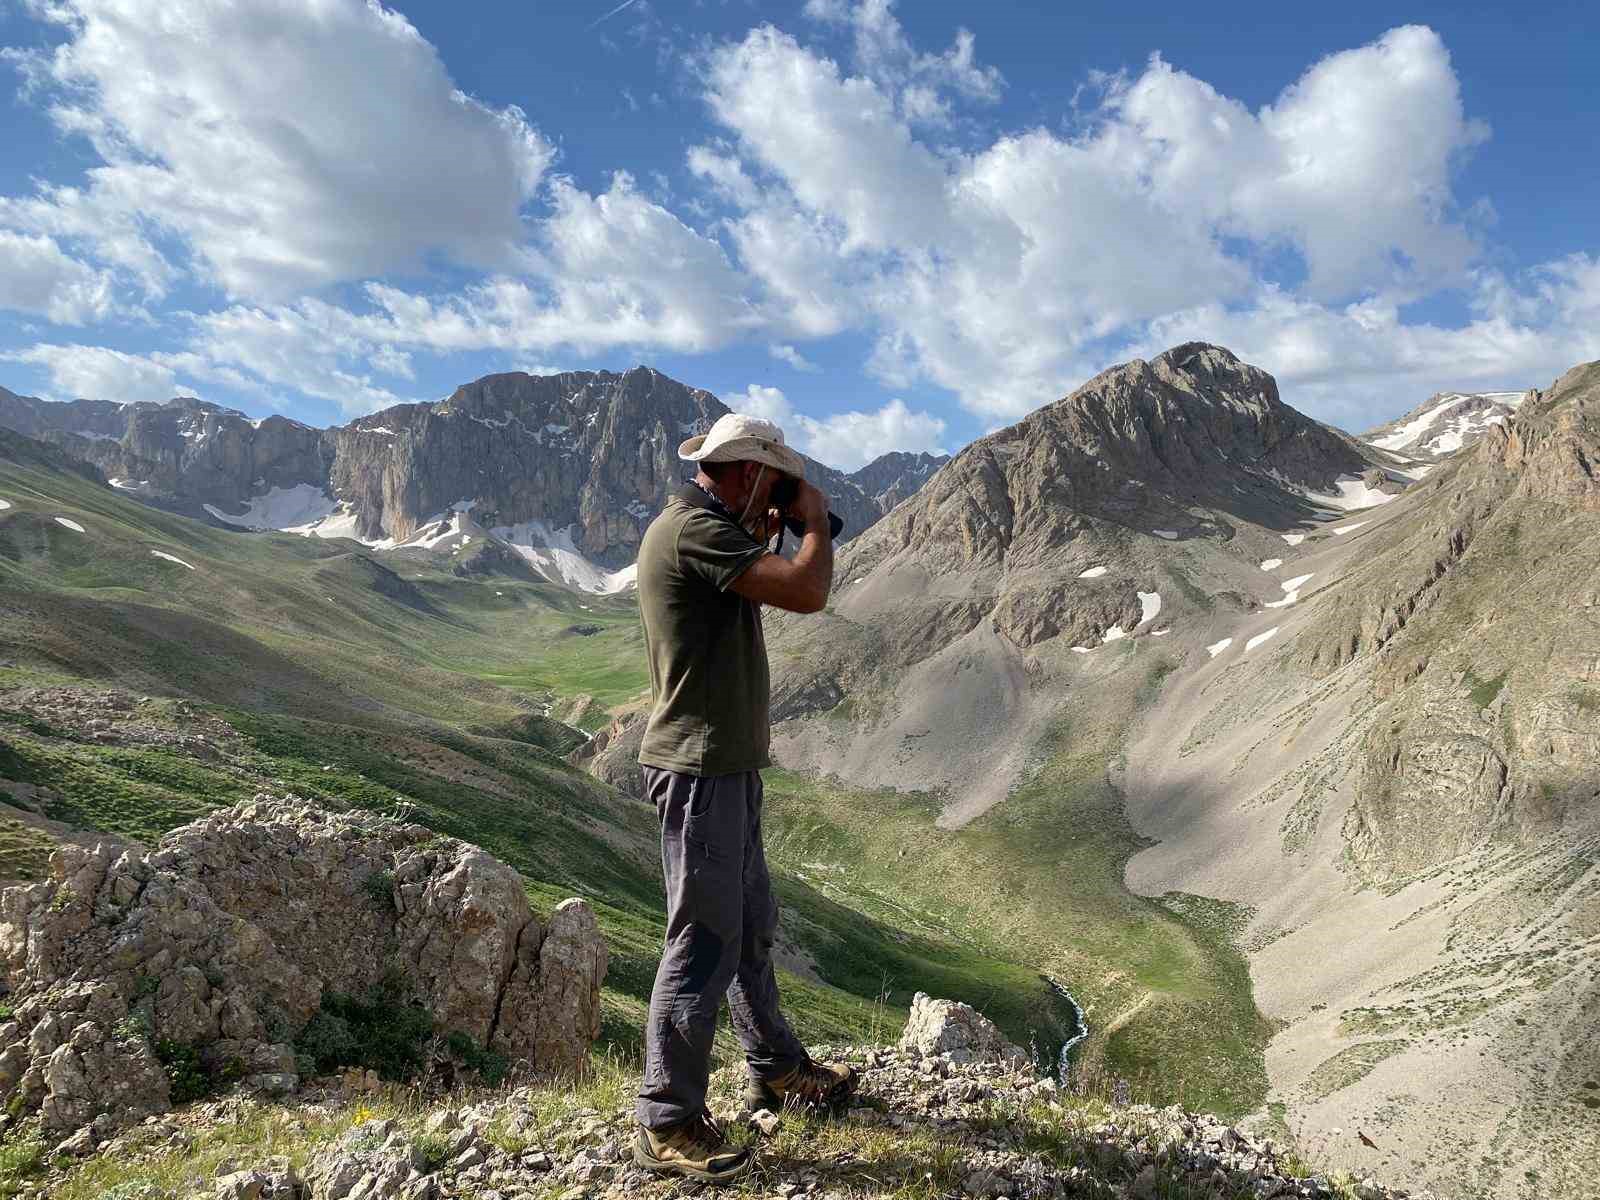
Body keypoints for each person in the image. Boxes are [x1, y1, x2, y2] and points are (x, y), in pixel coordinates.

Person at [630, 413, 856, 1183]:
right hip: (700, 773)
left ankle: (776, 1067)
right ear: (745, 470)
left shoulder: (715, 530)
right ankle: (668, 1121)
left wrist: (771, 520)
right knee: (701, 941)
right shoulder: (695, 529)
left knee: (752, 925)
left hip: (724, 768)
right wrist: (814, 524)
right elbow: (807, 590)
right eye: (773, 480)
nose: (780, 499)